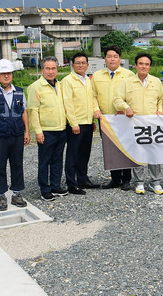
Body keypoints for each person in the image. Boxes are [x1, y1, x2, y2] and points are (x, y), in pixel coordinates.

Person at [0, 59, 30, 211]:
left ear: (12, 74)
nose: (6, 76)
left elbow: (24, 113)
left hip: (17, 135)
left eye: (8, 73)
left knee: (17, 164)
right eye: (3, 74)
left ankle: (16, 194)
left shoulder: (19, 92)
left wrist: (27, 131)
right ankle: (1, 195)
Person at [114, 52, 163, 194]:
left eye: (147, 64)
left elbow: (161, 99)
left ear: (150, 66)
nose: (144, 66)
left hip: (153, 125)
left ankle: (156, 183)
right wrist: (126, 108)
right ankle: (139, 182)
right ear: (136, 65)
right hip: (135, 124)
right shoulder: (127, 82)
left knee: (154, 153)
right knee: (138, 153)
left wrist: (160, 110)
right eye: (141, 64)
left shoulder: (156, 82)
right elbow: (117, 99)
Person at [90, 46, 135, 190]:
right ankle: (115, 178)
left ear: (120, 59)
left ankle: (126, 179)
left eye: (115, 56)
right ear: (105, 59)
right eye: (109, 56)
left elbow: (132, 95)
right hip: (105, 119)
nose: (112, 59)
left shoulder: (129, 75)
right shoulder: (97, 76)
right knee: (110, 149)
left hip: (123, 118)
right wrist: (96, 110)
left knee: (126, 148)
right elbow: (92, 95)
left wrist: (125, 108)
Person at [26, 56, 68, 202]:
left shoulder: (60, 85)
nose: (51, 71)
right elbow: (33, 111)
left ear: (57, 69)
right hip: (46, 131)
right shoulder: (36, 87)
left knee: (57, 159)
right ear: (42, 69)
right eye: (48, 68)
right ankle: (44, 189)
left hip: (61, 129)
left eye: (53, 68)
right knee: (45, 161)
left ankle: (55, 186)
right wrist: (38, 131)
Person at [61, 52, 98, 194]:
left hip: (87, 122)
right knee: (73, 154)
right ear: (72, 65)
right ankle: (71, 183)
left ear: (87, 65)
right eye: (78, 63)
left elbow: (91, 100)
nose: (81, 65)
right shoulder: (68, 81)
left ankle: (83, 179)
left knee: (84, 153)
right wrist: (73, 123)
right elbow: (67, 103)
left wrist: (92, 120)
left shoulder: (88, 80)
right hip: (76, 124)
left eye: (83, 63)